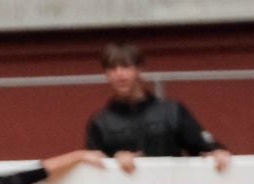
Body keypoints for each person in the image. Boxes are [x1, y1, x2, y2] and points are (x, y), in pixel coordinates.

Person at [85, 43, 231, 172]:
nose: (119, 74)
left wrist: (217, 153)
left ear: (139, 69)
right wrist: (113, 161)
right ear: (106, 74)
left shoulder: (172, 111)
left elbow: (206, 148)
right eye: (112, 68)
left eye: (125, 66)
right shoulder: (99, 122)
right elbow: (93, 168)